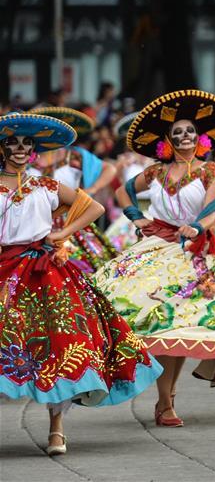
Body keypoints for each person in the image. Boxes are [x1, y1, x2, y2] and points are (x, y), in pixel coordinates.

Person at [91, 90, 215, 427]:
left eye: (189, 132)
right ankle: (165, 401)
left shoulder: (211, 171)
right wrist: (136, 216)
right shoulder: (157, 173)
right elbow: (121, 191)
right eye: (178, 134)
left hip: (195, 254)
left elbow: (211, 211)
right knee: (158, 322)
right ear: (168, 141)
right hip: (156, 249)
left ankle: (168, 400)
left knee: (186, 328)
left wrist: (196, 227)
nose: (185, 137)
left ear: (199, 137)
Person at [0, 113, 161, 455]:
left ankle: (56, 430)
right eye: (11, 142)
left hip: (45, 271)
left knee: (61, 345)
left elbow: (94, 207)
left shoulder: (46, 186)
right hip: (4, 270)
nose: (18, 148)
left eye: (25, 143)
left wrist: (61, 233)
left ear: (33, 150)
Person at [29, 107, 119, 274]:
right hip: (34, 224)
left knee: (85, 270)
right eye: (45, 129)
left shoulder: (75, 156)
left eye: (56, 130)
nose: (50, 133)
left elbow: (110, 169)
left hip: (73, 221)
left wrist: (92, 189)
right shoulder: (25, 158)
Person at [104, 112, 154, 251]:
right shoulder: (124, 161)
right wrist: (120, 167)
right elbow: (115, 187)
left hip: (154, 212)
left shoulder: (158, 160)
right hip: (132, 212)